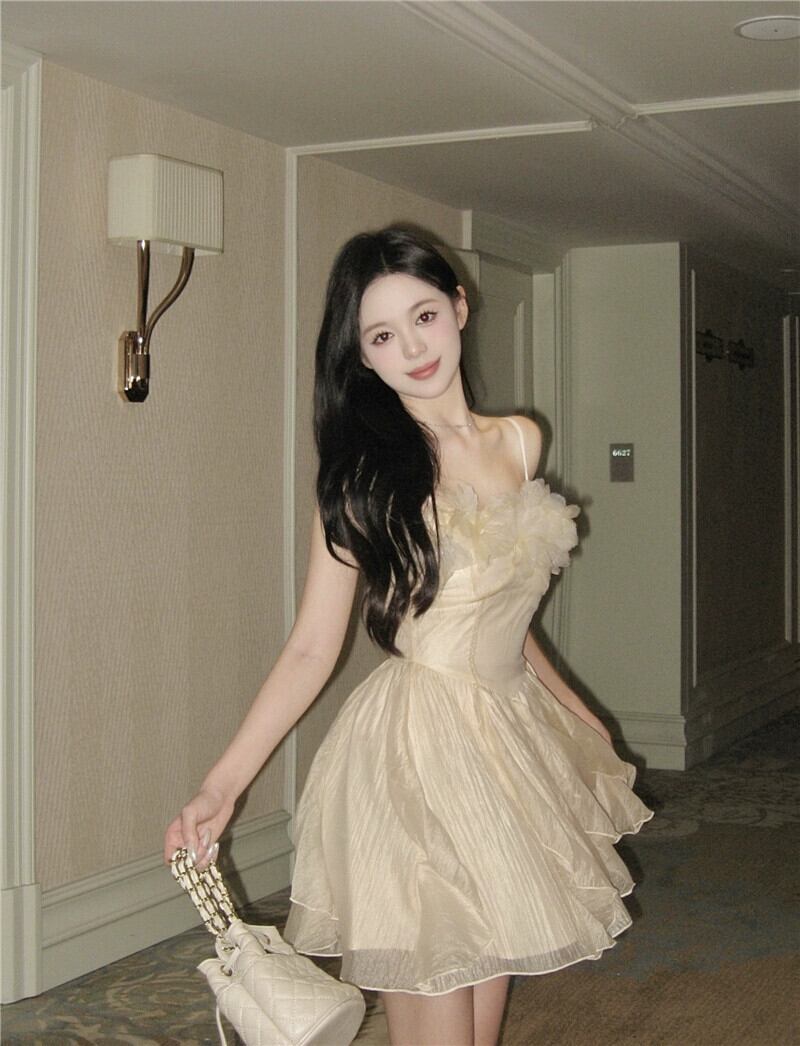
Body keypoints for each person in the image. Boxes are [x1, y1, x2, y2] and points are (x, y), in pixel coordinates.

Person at [165, 227, 652, 1046]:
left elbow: (505, 612)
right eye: (382, 336)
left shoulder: (520, 440)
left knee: (483, 1006)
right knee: (440, 1003)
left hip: (508, 743)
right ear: (362, 357)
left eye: (423, 316)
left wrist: (578, 713)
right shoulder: (364, 478)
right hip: (414, 754)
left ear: (459, 307)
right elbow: (311, 648)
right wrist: (222, 786)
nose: (413, 349)